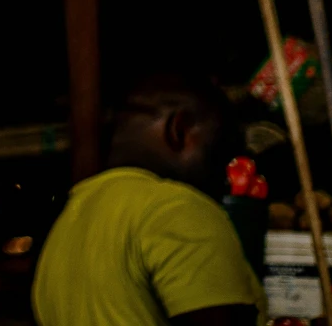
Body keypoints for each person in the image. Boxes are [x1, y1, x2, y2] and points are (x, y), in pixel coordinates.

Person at [31, 74, 264, 326]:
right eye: (222, 150)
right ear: (179, 129)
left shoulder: (67, 223)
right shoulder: (177, 208)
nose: (226, 176)